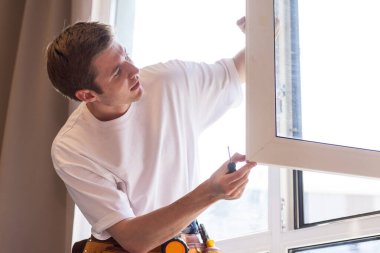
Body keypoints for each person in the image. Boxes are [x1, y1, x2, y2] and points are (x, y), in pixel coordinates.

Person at [46, 16, 256, 253]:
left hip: (188, 241)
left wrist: (264, 32)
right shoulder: (72, 147)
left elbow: (239, 71)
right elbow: (134, 240)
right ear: (87, 95)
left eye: (125, 55)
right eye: (117, 72)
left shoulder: (170, 83)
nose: (134, 70)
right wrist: (212, 191)